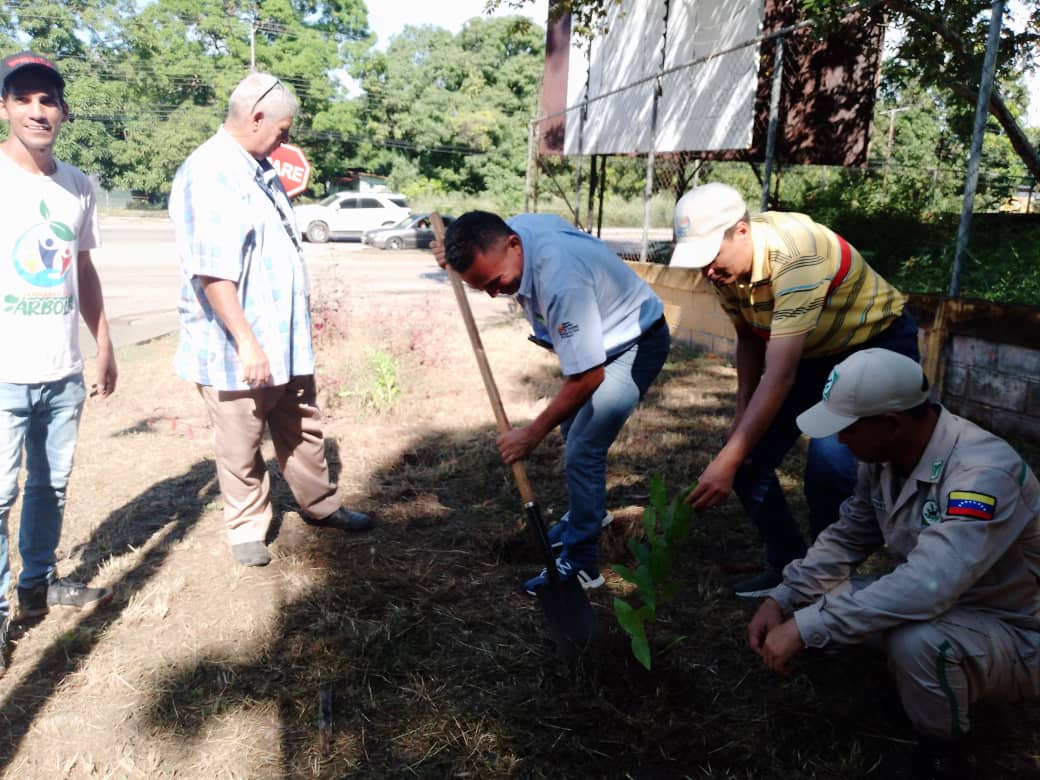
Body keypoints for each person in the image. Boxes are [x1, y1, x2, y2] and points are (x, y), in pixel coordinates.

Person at [747, 348, 1039, 777]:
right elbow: (848, 536)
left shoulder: (982, 474)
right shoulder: (886, 459)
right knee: (831, 606)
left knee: (917, 643)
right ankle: (917, 682)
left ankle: (944, 749)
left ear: (890, 424)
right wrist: (784, 598)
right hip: (950, 604)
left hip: (1014, 628)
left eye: (846, 428)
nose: (838, 440)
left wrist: (807, 628)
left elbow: (928, 586)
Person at [671, 182, 920, 597]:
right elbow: (750, 338)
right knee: (747, 458)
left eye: (711, 256)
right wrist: (738, 425)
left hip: (872, 342)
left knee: (830, 463)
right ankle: (788, 568)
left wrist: (727, 461)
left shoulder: (795, 258)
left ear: (743, 232)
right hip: (812, 350)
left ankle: (826, 584)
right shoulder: (724, 268)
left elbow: (781, 375)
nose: (706, 271)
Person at [169, 72, 373, 568]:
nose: (286, 139)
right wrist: (248, 343)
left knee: (303, 427)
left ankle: (320, 506)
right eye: (282, 130)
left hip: (283, 341)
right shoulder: (212, 170)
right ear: (256, 117)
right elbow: (214, 271)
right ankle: (246, 527)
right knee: (240, 441)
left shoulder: (255, 166)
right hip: (241, 346)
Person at [434, 211, 670, 594]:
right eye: (483, 288)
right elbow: (479, 237)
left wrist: (531, 434)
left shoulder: (561, 282)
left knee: (583, 447)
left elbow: (589, 376)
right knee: (571, 426)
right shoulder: (512, 234)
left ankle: (581, 565)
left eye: (496, 282)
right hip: (601, 334)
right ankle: (590, 516)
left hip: (635, 342)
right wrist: (451, 253)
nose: (496, 293)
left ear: (513, 245)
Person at [0, 51, 119, 675]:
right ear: (4, 107)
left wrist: (102, 344)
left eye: (48, 99)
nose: (38, 110)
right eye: (24, 97)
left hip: (61, 370)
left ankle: (38, 585)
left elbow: (84, 269)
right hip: (2, 374)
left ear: (63, 111)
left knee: (50, 485)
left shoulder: (76, 185)